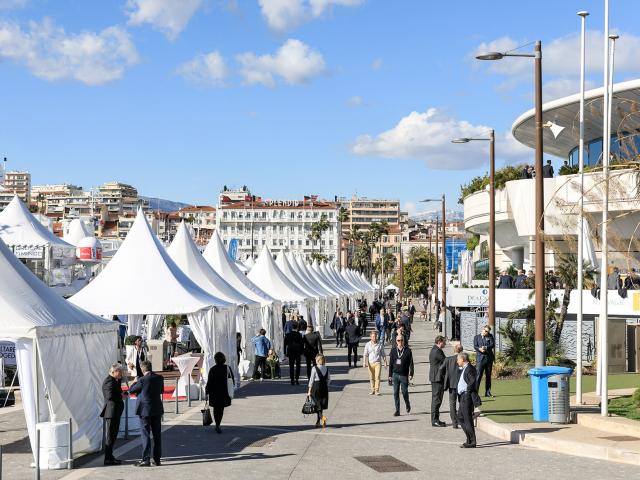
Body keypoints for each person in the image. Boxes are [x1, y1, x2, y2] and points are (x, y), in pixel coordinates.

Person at [128, 360, 164, 467]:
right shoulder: (159, 378)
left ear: (143, 369)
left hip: (145, 410)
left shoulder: (142, 380)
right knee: (157, 435)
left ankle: (146, 459)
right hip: (157, 409)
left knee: (145, 434)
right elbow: (161, 390)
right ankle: (157, 460)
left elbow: (131, 390)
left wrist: (135, 381)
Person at [100, 363, 125, 466]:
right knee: (110, 437)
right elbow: (110, 396)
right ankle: (107, 459)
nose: (121, 373)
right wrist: (120, 397)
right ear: (113, 371)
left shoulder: (115, 380)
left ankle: (110, 456)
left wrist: (123, 394)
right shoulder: (108, 381)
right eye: (120, 371)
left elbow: (118, 392)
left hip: (115, 412)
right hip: (111, 413)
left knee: (113, 436)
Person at [205, 351, 234, 434]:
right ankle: (218, 424)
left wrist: (207, 391)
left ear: (215, 360)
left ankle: (217, 424)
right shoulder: (227, 368)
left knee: (215, 408)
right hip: (224, 392)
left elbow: (209, 382)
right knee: (221, 409)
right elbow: (231, 379)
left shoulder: (212, 369)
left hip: (214, 392)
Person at [437, 344, 464, 429]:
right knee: (462, 403)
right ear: (461, 351)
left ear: (454, 350)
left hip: (451, 385)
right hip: (461, 385)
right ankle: (461, 420)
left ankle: (454, 423)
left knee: (452, 404)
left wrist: (445, 377)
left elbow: (441, 369)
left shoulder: (448, 359)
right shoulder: (463, 359)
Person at [455, 352, 478, 448]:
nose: (457, 361)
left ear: (462, 359)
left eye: (458, 359)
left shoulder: (470, 369)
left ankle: (472, 442)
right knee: (460, 417)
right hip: (463, 397)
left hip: (466, 397)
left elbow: (472, 382)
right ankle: (469, 439)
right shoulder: (465, 368)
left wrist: (467, 392)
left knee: (467, 419)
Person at [388, 336, 414, 417]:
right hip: (395, 375)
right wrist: (389, 375)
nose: (400, 342)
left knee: (404, 392)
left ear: (404, 341)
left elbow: (411, 363)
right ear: (396, 341)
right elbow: (391, 364)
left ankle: (407, 403)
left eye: (401, 340)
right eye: (398, 340)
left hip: (404, 375)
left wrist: (411, 374)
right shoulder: (393, 351)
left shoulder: (408, 351)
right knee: (395, 393)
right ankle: (397, 410)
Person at [307, 354, 330, 428]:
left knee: (316, 404)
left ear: (317, 360)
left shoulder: (314, 368)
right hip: (324, 387)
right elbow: (329, 379)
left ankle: (322, 417)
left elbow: (311, 380)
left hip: (316, 387)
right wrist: (326, 385)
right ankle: (318, 422)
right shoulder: (326, 368)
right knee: (321, 405)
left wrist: (309, 390)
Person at [429, 336, 446, 427]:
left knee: (436, 399)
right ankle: (435, 420)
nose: (445, 344)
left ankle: (436, 419)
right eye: (444, 342)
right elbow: (445, 361)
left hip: (436, 378)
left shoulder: (434, 349)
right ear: (439, 342)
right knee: (437, 399)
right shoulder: (437, 351)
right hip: (437, 378)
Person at [474, 325, 495, 397]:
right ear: (482, 329)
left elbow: (492, 344)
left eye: (488, 332)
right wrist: (479, 349)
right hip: (480, 359)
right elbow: (475, 346)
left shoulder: (490, 336)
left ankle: (488, 392)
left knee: (488, 376)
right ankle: (475, 392)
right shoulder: (476, 337)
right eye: (485, 331)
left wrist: (486, 347)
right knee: (478, 376)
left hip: (489, 359)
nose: (486, 333)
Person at [363, 331, 387, 395]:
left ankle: (377, 390)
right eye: (373, 336)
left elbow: (383, 354)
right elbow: (365, 354)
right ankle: (372, 390)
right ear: (370, 337)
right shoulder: (367, 344)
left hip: (377, 363)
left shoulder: (380, 344)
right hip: (370, 363)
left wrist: (385, 362)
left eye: (375, 336)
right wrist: (364, 362)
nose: (374, 338)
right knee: (371, 377)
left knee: (377, 376)